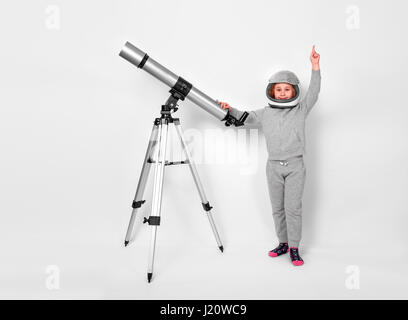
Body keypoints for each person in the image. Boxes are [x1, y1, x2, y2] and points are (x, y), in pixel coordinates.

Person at [218, 46, 321, 266]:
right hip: (273, 167)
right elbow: (244, 117)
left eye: (286, 89)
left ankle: (294, 247)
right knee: (277, 208)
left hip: (295, 166)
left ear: (294, 91)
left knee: (293, 208)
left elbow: (314, 91)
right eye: (278, 89)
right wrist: (229, 109)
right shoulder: (265, 113)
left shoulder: (301, 109)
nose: (282, 93)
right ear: (271, 92)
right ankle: (282, 243)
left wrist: (314, 67)